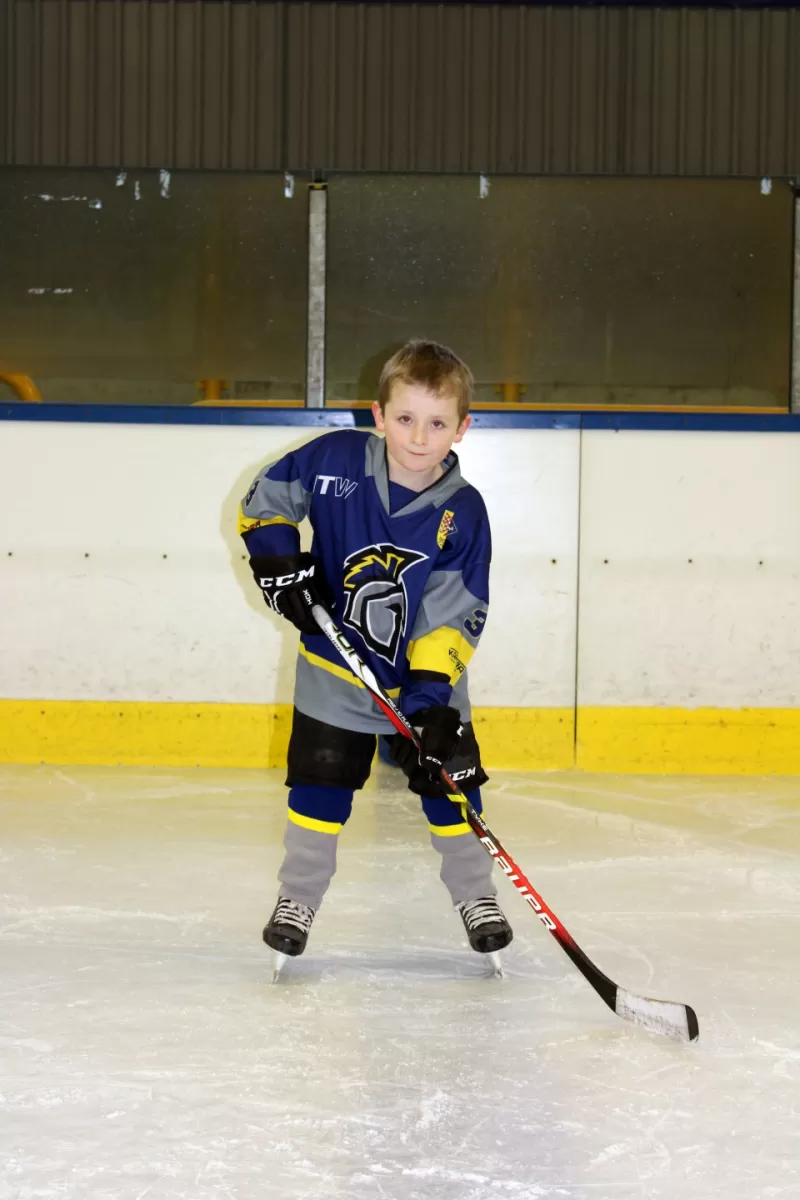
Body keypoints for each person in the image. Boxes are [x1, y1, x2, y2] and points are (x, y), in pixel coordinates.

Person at [238, 339, 512, 969]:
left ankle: (477, 896)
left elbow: (454, 610)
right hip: (334, 672)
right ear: (379, 415)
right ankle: (297, 899)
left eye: (437, 423)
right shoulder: (333, 459)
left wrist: (429, 701)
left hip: (425, 684)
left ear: (462, 428)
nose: (419, 437)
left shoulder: (463, 511)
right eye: (406, 418)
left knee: (450, 788)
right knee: (319, 786)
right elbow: (266, 500)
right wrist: (280, 563)